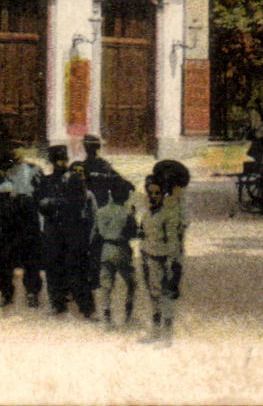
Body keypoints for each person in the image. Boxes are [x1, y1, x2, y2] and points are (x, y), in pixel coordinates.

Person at [37, 145, 96, 317]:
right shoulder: (46, 181)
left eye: (64, 159)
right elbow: (40, 203)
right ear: (52, 161)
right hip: (52, 231)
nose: (61, 163)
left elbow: (79, 202)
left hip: (72, 230)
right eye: (58, 160)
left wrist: (54, 203)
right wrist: (60, 203)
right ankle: (58, 304)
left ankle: (86, 308)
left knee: (76, 268)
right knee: (53, 268)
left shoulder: (74, 179)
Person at [0, 143, 44, 308]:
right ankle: (6, 293)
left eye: (19, 149)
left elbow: (42, 193)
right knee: (4, 257)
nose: (16, 153)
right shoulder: (1, 172)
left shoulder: (34, 170)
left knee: (30, 255)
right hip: (8, 216)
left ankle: (32, 293)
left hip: (28, 215)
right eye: (13, 150)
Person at [139, 162, 189, 345]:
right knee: (153, 295)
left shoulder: (169, 213)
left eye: (157, 193)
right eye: (150, 193)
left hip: (164, 259)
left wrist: (172, 262)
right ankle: (155, 331)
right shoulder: (147, 214)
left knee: (166, 295)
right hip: (148, 257)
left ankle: (167, 334)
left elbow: (174, 240)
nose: (153, 197)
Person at [95, 177, 139, 328]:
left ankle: (106, 316)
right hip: (121, 248)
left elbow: (97, 232)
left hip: (106, 248)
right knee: (132, 282)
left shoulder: (101, 211)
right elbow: (133, 233)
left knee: (106, 285)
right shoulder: (127, 212)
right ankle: (128, 314)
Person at [79, 133, 123, 209]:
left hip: (91, 204)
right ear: (98, 148)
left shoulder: (82, 166)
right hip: (102, 203)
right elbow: (117, 180)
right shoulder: (104, 164)